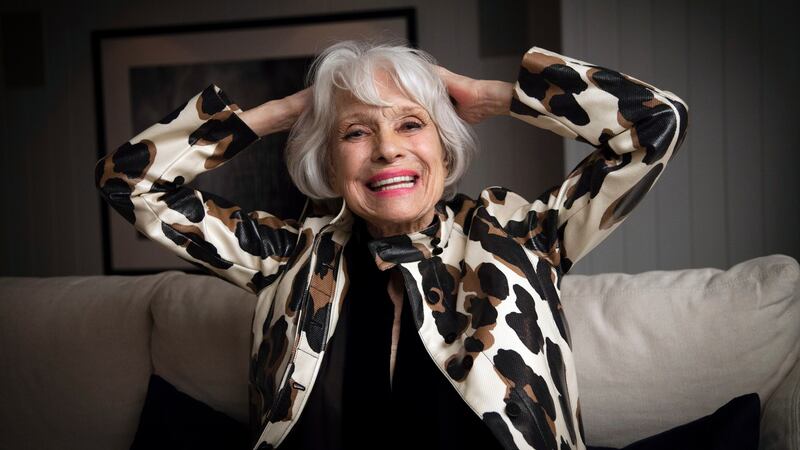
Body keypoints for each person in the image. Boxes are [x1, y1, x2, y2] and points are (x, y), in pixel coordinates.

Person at [94, 38, 689, 450]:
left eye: (410, 123)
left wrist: (497, 95)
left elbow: (655, 124)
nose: (386, 149)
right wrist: (288, 111)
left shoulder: (522, 236)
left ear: (445, 144)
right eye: (355, 131)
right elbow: (131, 183)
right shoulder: (289, 254)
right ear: (329, 159)